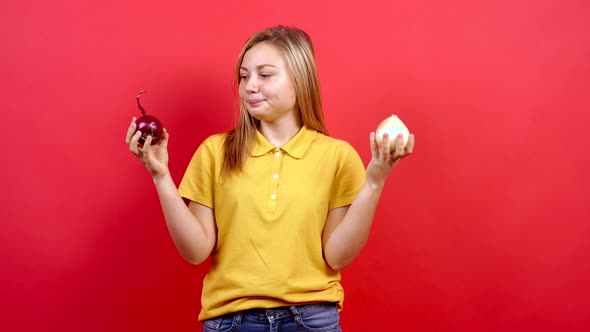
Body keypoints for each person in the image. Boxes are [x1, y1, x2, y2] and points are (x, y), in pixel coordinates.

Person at [125, 25, 415, 332]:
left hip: (312, 319)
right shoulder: (215, 151)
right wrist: (160, 176)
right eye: (244, 76)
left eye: (264, 75)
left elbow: (337, 256)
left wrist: (374, 181)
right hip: (231, 321)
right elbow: (195, 251)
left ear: (300, 80)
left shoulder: (337, 157)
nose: (250, 86)